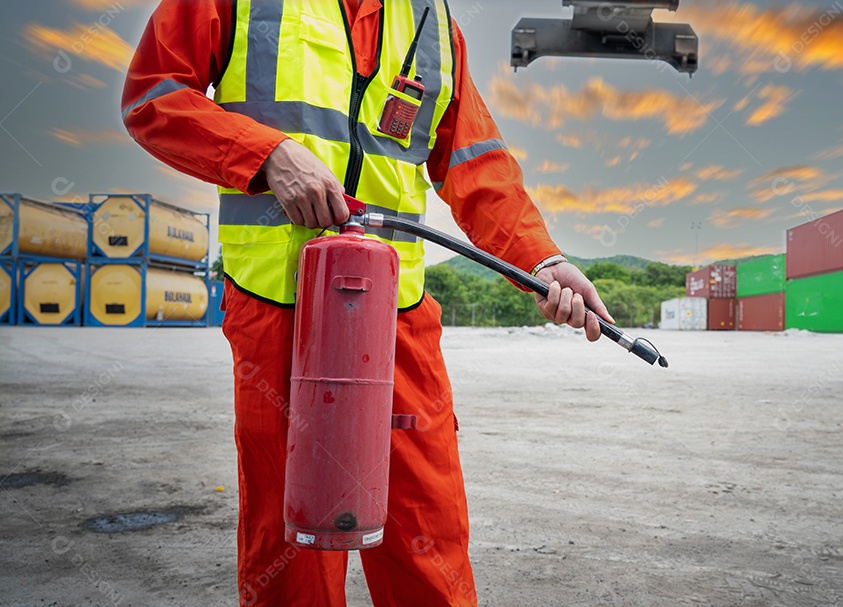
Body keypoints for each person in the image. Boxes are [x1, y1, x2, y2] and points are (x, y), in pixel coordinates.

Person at [122, 1, 613, 605]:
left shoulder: (430, 23)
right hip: (279, 310)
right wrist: (265, 154)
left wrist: (541, 260)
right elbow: (154, 96)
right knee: (291, 542)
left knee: (425, 533)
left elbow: (474, 161)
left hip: (396, 317)